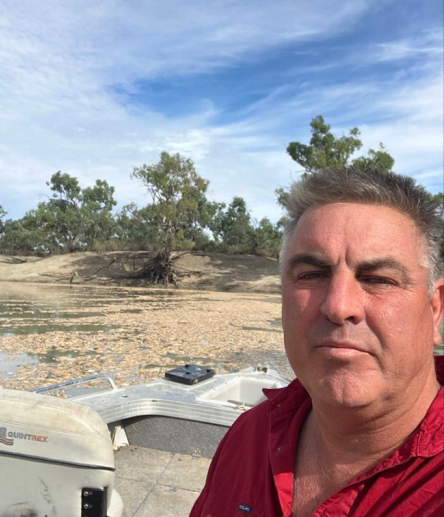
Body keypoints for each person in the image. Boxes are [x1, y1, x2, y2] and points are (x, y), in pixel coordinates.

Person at [190, 167, 444, 517]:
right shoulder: (250, 434)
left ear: (434, 309)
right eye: (312, 275)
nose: (338, 306)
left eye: (379, 279)